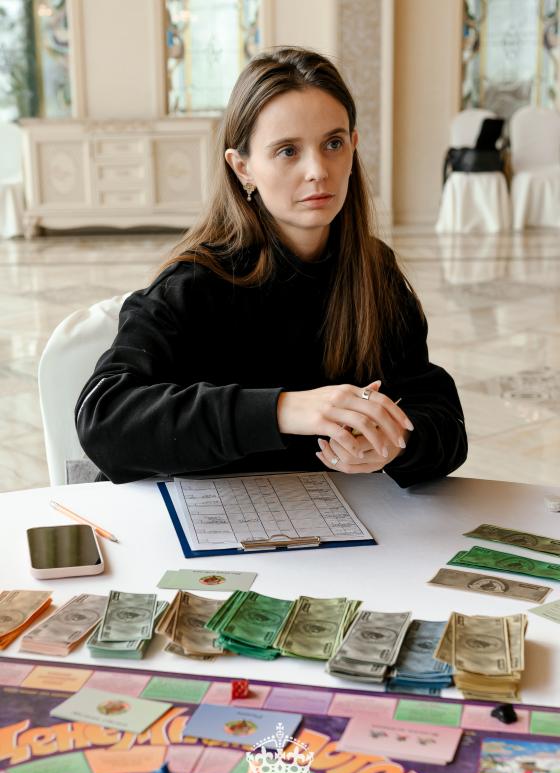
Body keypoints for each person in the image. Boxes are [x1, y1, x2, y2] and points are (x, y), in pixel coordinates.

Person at [76, 47, 467, 487]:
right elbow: (103, 420)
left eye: (333, 144)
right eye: (287, 151)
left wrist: (397, 443)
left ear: (353, 148)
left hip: (329, 518)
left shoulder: (373, 271)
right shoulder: (194, 282)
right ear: (242, 167)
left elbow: (442, 418)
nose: (318, 170)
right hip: (200, 519)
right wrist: (283, 409)